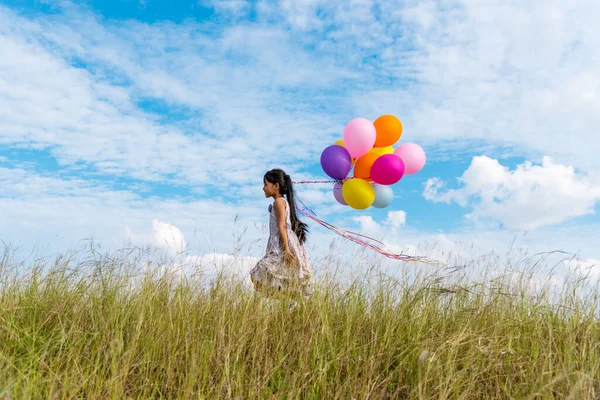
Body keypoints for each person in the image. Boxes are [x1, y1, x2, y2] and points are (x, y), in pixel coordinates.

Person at [249, 169, 314, 304]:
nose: (263, 188)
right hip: (280, 242)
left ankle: (292, 301)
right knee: (280, 274)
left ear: (276, 185)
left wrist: (286, 249)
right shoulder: (280, 202)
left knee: (263, 270)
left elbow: (282, 226)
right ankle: (291, 302)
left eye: (265, 184)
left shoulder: (279, 202)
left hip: (281, 243)